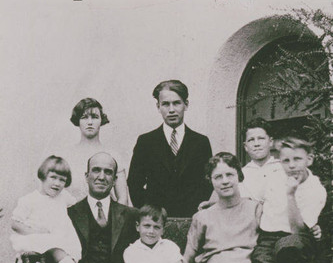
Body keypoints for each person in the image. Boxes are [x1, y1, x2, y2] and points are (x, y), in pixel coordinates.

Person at [127, 80, 212, 217]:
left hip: (192, 218)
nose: (171, 110)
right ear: (158, 106)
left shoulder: (201, 142)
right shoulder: (146, 142)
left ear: (186, 104)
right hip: (156, 222)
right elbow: (134, 183)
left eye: (176, 103)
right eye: (165, 104)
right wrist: (150, 212)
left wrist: (197, 210)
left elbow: (208, 182)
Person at [11, 156, 95, 263]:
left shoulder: (63, 197)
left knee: (67, 254)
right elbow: (15, 223)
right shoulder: (29, 200)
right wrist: (37, 233)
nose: (57, 183)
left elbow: (80, 207)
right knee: (56, 249)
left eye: (62, 180)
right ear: (43, 176)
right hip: (38, 238)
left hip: (60, 238)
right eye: (53, 177)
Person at [199, 118, 282, 209]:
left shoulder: (284, 169)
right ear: (245, 146)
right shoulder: (238, 174)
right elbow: (216, 201)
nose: (256, 144)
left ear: (270, 142)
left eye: (261, 138)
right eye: (251, 140)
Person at [60, 98, 128, 203]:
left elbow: (123, 198)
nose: (90, 122)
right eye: (84, 117)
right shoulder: (67, 155)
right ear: (78, 120)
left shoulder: (113, 155)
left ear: (101, 120)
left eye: (95, 117)